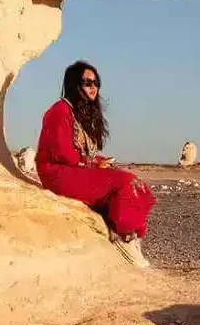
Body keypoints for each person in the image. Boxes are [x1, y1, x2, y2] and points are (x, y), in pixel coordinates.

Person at [35, 61, 155, 268]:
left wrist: (98, 162)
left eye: (96, 82)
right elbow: (61, 153)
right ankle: (123, 236)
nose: (93, 87)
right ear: (74, 84)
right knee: (124, 182)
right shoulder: (60, 111)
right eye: (87, 82)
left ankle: (131, 237)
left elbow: (82, 153)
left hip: (74, 168)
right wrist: (91, 165)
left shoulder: (79, 113)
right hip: (57, 173)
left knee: (135, 183)